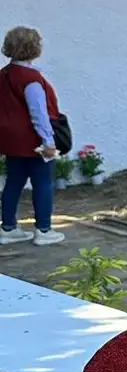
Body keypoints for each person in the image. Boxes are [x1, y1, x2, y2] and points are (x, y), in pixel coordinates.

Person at [0, 26, 66, 246]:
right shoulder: (30, 78)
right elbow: (38, 112)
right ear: (34, 47)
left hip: (8, 138)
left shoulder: (4, 75)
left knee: (13, 182)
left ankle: (8, 227)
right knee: (43, 182)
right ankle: (44, 230)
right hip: (31, 139)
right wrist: (48, 141)